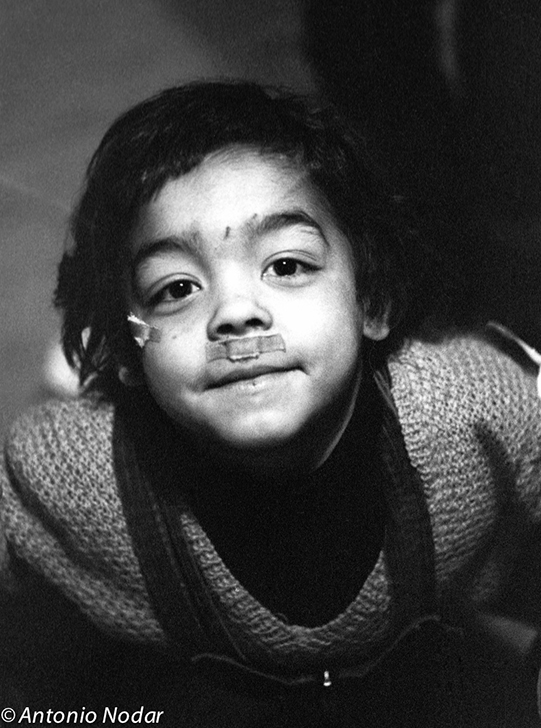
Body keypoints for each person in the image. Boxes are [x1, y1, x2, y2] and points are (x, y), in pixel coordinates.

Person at [2, 81, 541, 727]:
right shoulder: (65, 477)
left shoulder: (474, 411)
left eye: (285, 266)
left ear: (372, 302)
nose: (235, 315)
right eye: (176, 288)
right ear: (126, 351)